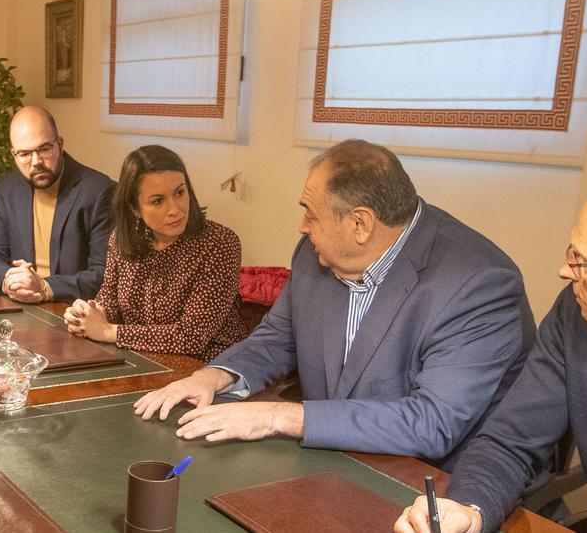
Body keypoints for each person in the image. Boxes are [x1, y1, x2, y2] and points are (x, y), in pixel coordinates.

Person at [134, 139, 534, 470]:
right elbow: (278, 338)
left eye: (311, 214)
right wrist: (214, 376)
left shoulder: (478, 285)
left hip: (432, 485)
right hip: (331, 463)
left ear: (360, 224)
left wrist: (281, 416)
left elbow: (431, 423)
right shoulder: (316, 253)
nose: (302, 227)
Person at [395, 170, 587, 533]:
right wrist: (468, 510)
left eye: (586, 263)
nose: (565, 271)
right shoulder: (576, 313)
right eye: (571, 251)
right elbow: (510, 441)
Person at [62, 145, 247, 361]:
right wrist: (85, 315)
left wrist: (107, 332)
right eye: (158, 201)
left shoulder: (220, 243)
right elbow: (109, 306)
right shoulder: (121, 239)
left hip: (208, 368)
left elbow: (192, 337)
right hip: (140, 361)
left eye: (179, 192)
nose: (175, 209)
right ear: (134, 208)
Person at [0, 106, 114, 303]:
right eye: (24, 154)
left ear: (59, 144)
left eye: (44, 149)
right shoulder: (5, 188)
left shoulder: (99, 191)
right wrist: (10, 281)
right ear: (14, 154)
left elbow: (106, 274)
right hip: (19, 305)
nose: (36, 162)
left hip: (71, 312)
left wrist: (44, 287)